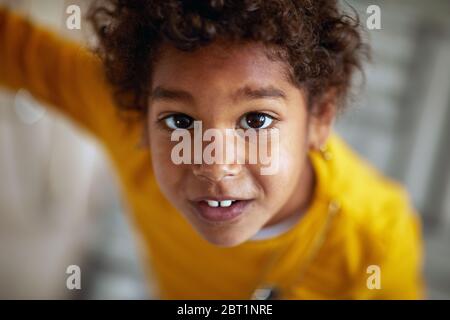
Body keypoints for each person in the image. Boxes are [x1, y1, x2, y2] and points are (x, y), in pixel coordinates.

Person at [0, 0, 424, 299]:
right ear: (139, 114)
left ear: (321, 118)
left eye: (256, 121)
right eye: (180, 122)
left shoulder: (374, 245)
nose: (215, 169)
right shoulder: (126, 118)